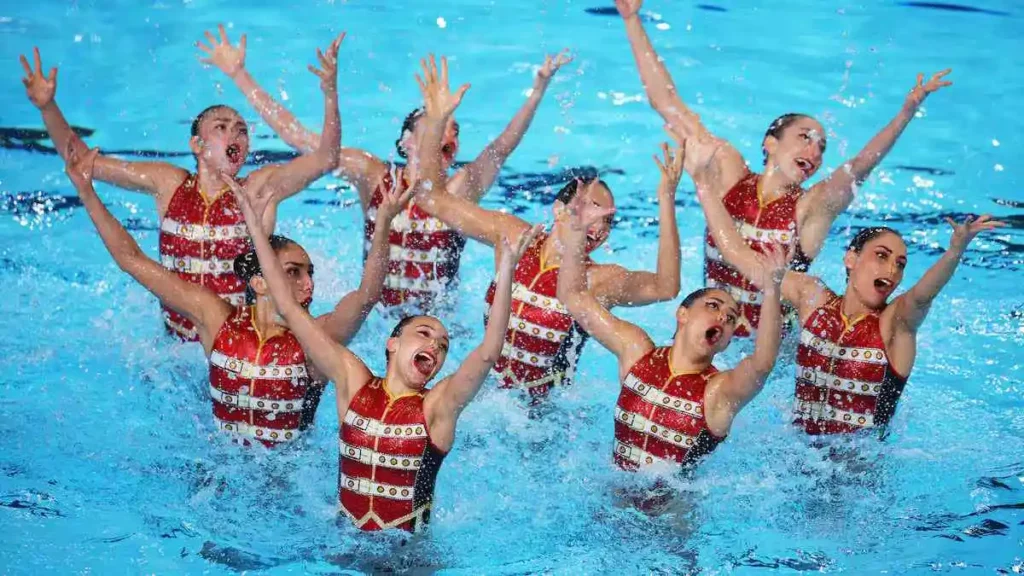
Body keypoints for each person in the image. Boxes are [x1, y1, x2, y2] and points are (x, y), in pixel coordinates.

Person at [230, 147, 541, 533]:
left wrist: (507, 268)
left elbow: (489, 351)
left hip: (409, 560)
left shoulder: (438, 406)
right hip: (342, 548)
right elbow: (291, 311)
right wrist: (257, 232)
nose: (435, 345)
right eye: (424, 333)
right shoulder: (352, 381)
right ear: (393, 343)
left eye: (443, 344)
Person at [615, 0, 952, 338]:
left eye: (821, 147)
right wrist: (631, 20)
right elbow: (668, 105)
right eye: (805, 138)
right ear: (770, 143)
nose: (814, 152)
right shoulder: (729, 173)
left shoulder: (811, 208)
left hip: (772, 353)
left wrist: (906, 112)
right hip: (714, 336)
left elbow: (861, 165)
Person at [63, 132, 415, 446]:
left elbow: (368, 294)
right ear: (260, 282)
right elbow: (131, 259)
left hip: (286, 484)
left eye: (310, 273)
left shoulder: (317, 341)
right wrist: (86, 192)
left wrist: (383, 223)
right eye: (292, 272)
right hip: (215, 474)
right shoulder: (214, 318)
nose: (308, 283)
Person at [198, 25, 572, 313]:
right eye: (438, 124)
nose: (448, 134)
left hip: (432, 320)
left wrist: (538, 91)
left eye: (454, 130)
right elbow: (299, 138)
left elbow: (501, 147)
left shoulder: (460, 189)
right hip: (374, 316)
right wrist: (238, 74)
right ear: (406, 141)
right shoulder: (373, 175)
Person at [20, 35, 345, 340]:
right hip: (175, 348)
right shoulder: (169, 183)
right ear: (197, 144)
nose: (236, 135)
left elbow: (327, 159)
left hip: (238, 346)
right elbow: (80, 158)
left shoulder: (260, 188)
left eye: (242, 130)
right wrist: (47, 107)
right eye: (222, 127)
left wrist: (329, 93)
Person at [411, 55, 682, 401]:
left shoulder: (597, 281)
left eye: (608, 221)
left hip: (543, 419)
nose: (597, 227)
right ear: (559, 210)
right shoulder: (512, 235)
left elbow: (666, 286)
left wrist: (666, 199)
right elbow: (433, 200)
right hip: (485, 399)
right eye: (589, 210)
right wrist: (435, 124)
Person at [698, 185, 1005, 436]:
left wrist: (954, 252)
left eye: (900, 264)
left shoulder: (893, 324)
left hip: (856, 474)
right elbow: (739, 255)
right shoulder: (813, 297)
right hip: (795, 453)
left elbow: (923, 296)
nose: (892, 270)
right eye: (881, 256)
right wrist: (704, 186)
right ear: (850, 259)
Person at [556, 187, 788, 473]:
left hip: (671, 513)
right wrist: (577, 234)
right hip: (611, 497)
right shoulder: (637, 351)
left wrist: (772, 289)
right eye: (713, 306)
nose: (723, 318)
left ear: (726, 342)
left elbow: (762, 364)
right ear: (683, 315)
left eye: (731, 318)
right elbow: (573, 298)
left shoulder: (718, 392)